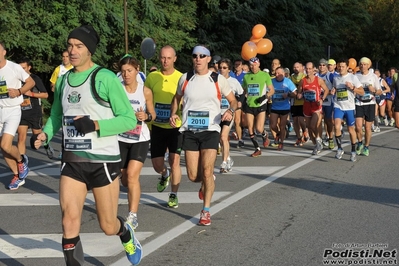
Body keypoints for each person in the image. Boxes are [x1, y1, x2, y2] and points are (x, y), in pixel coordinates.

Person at [30, 25, 142, 265]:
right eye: (70, 45)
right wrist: (45, 135)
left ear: (89, 50)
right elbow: (58, 116)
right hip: (72, 160)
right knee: (69, 221)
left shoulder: (105, 78)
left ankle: (125, 232)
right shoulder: (63, 80)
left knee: (107, 225)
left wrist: (95, 125)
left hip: (102, 161)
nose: (72, 50)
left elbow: (128, 119)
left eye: (78, 46)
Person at [169, 45, 237, 226]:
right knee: (193, 176)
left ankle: (205, 211)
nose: (198, 59)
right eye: (195, 56)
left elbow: (234, 101)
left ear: (208, 59)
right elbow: (176, 98)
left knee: (207, 171)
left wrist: (230, 110)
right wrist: (173, 113)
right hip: (189, 131)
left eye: (202, 56)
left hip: (211, 131)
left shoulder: (218, 79)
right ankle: (207, 181)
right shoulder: (185, 78)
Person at [118, 55, 156, 229]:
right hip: (120, 137)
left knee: (132, 176)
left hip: (140, 138)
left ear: (137, 70)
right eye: (123, 71)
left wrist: (145, 116)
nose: (126, 75)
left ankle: (132, 215)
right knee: (124, 179)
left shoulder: (145, 90)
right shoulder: (117, 90)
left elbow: (152, 114)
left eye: (130, 71)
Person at [144, 45, 183, 208]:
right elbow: (146, 99)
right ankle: (164, 174)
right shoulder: (152, 77)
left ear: (174, 59)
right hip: (157, 126)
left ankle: (173, 194)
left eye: (168, 58)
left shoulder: (181, 77)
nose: (165, 61)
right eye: (162, 57)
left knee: (175, 161)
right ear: (159, 58)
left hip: (176, 126)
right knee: (157, 165)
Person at [0, 41, 34, 190]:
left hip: (13, 110)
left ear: (4, 52)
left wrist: (19, 92)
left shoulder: (14, 67)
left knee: (5, 145)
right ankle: (18, 175)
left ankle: (21, 161)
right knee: (3, 148)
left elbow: (30, 82)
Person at [332, 59, 364, 162]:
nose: (341, 68)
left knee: (351, 130)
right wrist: (334, 90)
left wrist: (352, 87)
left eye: (343, 67)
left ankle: (353, 151)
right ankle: (340, 148)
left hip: (350, 107)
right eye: (339, 67)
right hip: (338, 105)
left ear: (347, 67)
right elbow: (335, 88)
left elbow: (362, 92)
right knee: (336, 126)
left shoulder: (353, 77)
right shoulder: (336, 78)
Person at [242, 57, 275, 157]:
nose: (253, 67)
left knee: (259, 129)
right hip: (249, 105)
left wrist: (265, 96)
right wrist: (242, 100)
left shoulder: (265, 75)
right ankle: (257, 148)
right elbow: (244, 91)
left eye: (255, 65)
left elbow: (272, 90)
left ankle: (265, 135)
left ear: (259, 64)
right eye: (251, 65)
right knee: (250, 129)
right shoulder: (246, 76)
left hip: (261, 104)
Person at [17, 58, 49, 156]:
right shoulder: (16, 78)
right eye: (20, 68)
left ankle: (47, 146)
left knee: (37, 137)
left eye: (24, 68)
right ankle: (22, 162)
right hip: (21, 112)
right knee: (21, 138)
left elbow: (45, 95)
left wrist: (31, 94)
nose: (21, 70)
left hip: (34, 112)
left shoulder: (35, 78)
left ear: (29, 67)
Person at [298, 62, 330, 155]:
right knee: (308, 127)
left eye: (310, 69)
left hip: (316, 106)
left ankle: (318, 140)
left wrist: (322, 99)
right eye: (306, 69)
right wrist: (299, 95)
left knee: (313, 125)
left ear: (313, 69)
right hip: (307, 106)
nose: (308, 71)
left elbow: (326, 90)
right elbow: (299, 92)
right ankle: (317, 144)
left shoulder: (318, 80)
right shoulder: (302, 81)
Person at [218, 58, 243, 172]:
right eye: (220, 68)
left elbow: (242, 94)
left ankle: (223, 163)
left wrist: (239, 102)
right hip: (216, 114)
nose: (222, 70)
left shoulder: (233, 81)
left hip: (228, 113)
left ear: (229, 69)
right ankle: (228, 157)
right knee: (220, 139)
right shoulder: (214, 80)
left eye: (224, 68)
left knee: (224, 136)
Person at [355, 57, 382, 157]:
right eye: (361, 64)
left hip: (370, 103)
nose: (362, 66)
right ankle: (360, 142)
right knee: (358, 127)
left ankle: (366, 146)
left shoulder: (373, 76)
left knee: (367, 128)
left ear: (368, 65)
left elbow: (379, 91)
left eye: (365, 64)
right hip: (359, 103)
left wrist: (373, 90)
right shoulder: (356, 76)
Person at [270, 67, 297, 151]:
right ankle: (278, 134)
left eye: (279, 73)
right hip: (274, 106)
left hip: (284, 107)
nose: (277, 75)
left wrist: (288, 94)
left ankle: (281, 142)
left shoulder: (288, 81)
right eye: (276, 73)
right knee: (273, 125)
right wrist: (268, 96)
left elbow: (295, 93)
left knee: (282, 126)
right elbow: (268, 91)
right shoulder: (272, 81)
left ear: (283, 74)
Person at [289, 62, 308, 146]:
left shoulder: (305, 77)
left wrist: (302, 94)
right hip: (294, 102)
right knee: (295, 121)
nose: (296, 68)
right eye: (294, 67)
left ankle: (304, 131)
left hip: (303, 102)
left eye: (298, 67)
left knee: (301, 120)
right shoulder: (291, 78)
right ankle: (299, 138)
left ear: (301, 68)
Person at [318, 58, 335, 150]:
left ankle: (331, 138)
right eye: (320, 65)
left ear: (326, 66)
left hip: (328, 101)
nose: (322, 67)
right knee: (318, 122)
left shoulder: (330, 75)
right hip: (318, 101)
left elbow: (335, 86)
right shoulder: (316, 75)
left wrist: (332, 91)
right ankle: (319, 140)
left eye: (324, 65)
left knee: (328, 121)